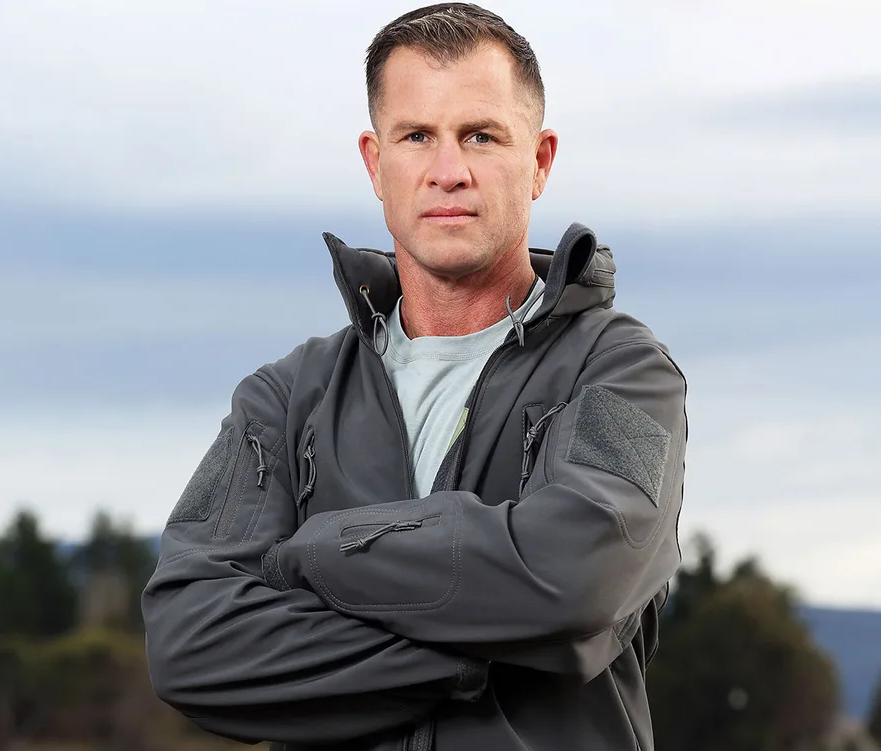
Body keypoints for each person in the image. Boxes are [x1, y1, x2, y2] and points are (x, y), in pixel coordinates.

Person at [141, 4, 688, 750]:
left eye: (481, 135)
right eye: (417, 136)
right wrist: (484, 653)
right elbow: (190, 641)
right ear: (375, 162)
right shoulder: (287, 399)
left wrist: (312, 555)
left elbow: (576, 582)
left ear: (540, 161)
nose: (448, 170)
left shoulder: (624, 375)